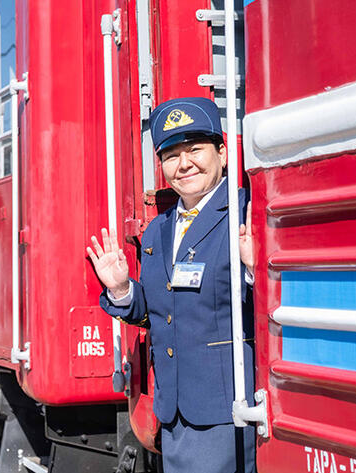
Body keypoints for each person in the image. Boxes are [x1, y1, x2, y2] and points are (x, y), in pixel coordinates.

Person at [87, 97, 255, 472]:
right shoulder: (159, 230)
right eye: (171, 155)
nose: (184, 165)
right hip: (174, 410)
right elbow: (160, 313)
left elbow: (267, 305)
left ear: (222, 153)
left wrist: (255, 269)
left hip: (224, 409)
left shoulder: (246, 214)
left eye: (195, 150)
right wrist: (121, 289)